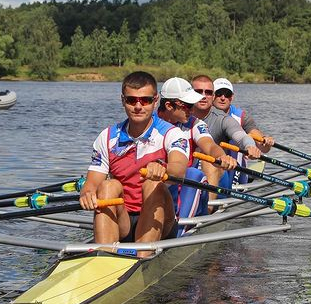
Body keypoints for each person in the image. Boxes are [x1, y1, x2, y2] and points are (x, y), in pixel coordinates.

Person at [79, 71, 190, 257]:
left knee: (153, 183)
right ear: (123, 100)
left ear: (156, 101)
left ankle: (142, 257)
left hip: (162, 219)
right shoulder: (107, 137)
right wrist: (87, 194)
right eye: (132, 100)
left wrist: (163, 168)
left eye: (145, 100)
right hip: (123, 219)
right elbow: (91, 183)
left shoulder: (172, 134)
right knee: (108, 186)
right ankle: (105, 255)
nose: (138, 106)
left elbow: (179, 170)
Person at [157, 77, 237, 221]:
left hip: (186, 185)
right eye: (188, 105)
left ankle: (205, 213)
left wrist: (222, 156)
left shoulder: (195, 124)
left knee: (197, 171)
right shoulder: (149, 123)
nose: (193, 110)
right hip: (158, 184)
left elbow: (209, 145)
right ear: (169, 106)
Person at [191, 75, 273, 189]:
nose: (223, 98)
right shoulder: (183, 114)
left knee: (210, 162)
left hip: (226, 168)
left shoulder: (235, 118)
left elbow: (245, 138)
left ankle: (216, 197)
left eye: (227, 94)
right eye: (219, 93)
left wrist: (253, 147)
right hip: (193, 168)